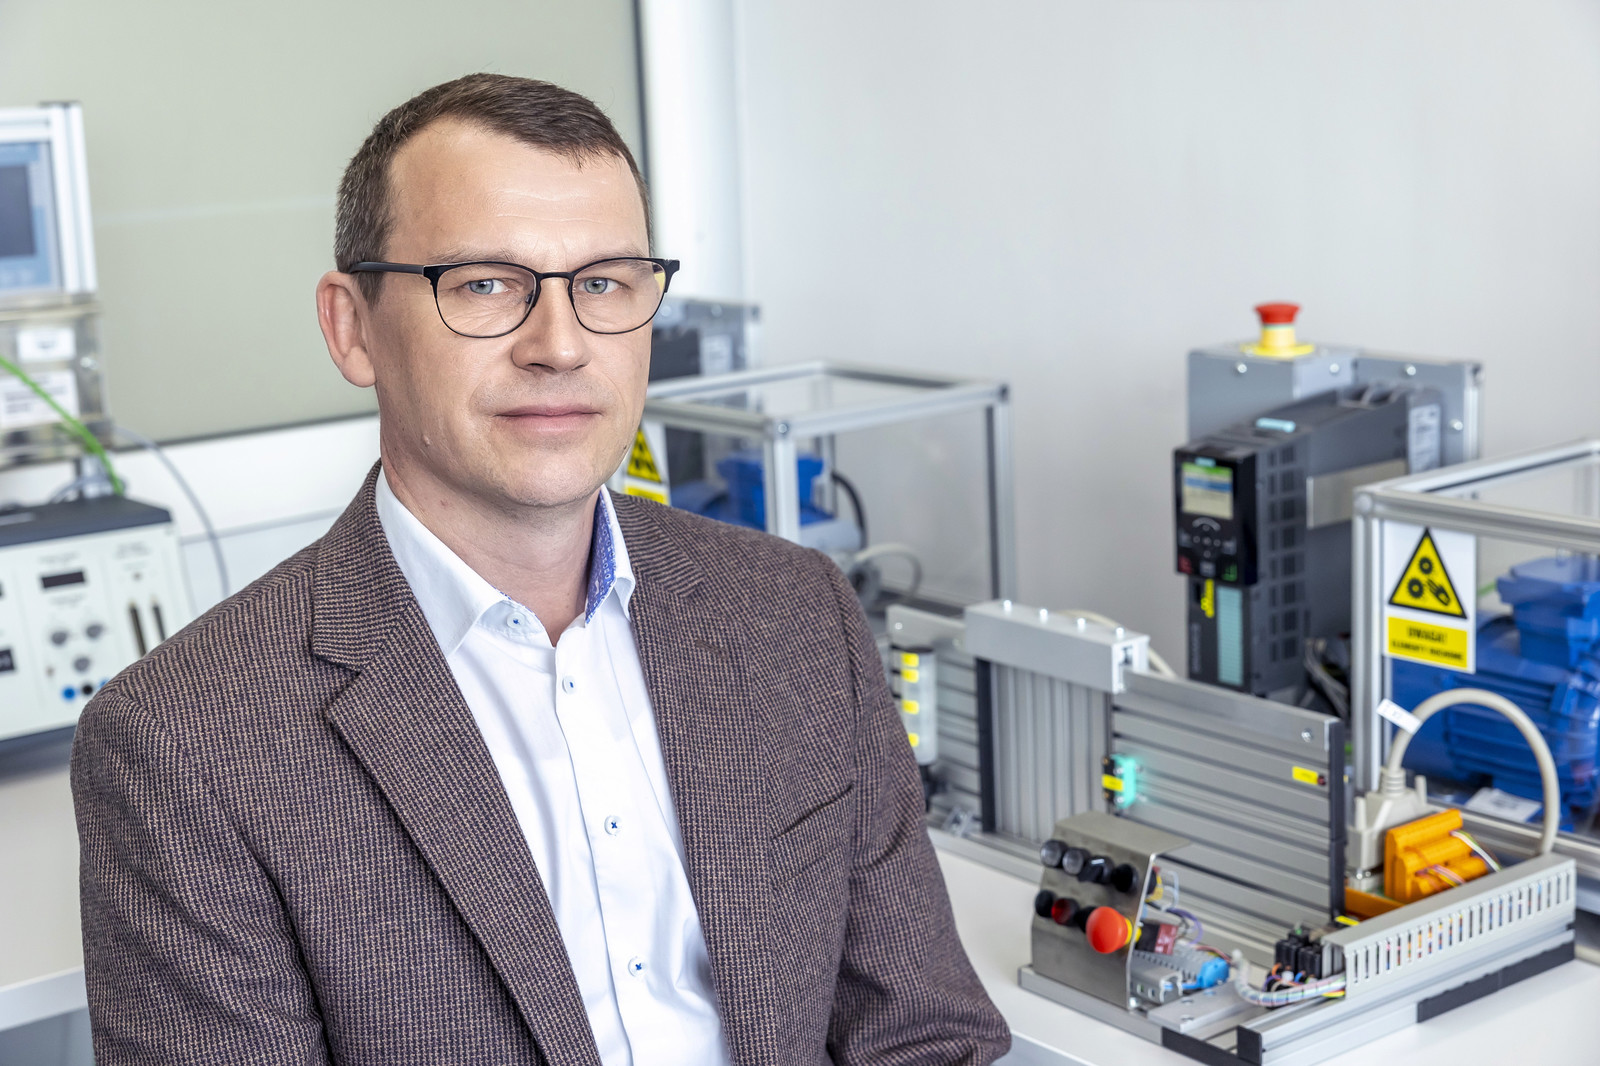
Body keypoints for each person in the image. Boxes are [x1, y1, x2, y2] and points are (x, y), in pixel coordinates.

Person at [71, 74, 1008, 1065]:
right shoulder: (184, 745)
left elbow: (921, 1034)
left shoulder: (795, 611)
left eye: (602, 283)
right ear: (352, 328)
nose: (559, 346)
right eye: (483, 284)